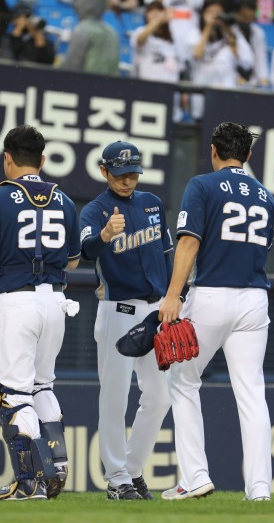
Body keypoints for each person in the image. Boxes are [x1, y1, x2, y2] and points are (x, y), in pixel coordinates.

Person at [0, 125, 81, 501]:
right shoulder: (65, 201)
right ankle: (57, 465)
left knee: (13, 392)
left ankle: (29, 483)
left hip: (15, 299)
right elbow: (74, 262)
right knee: (43, 384)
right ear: (42, 160)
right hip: (55, 302)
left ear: (8, 159)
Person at [158, 122, 274, 501]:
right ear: (249, 155)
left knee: (184, 382)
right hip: (255, 300)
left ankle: (195, 478)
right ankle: (259, 489)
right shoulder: (265, 195)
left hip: (211, 295)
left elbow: (189, 242)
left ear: (213, 150)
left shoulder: (203, 185)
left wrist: (173, 295)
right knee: (252, 392)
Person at [80, 141, 173, 501]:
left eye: (133, 172)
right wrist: (104, 236)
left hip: (154, 311)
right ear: (104, 172)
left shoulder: (151, 203)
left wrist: (172, 298)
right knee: (115, 399)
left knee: (160, 396)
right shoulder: (95, 210)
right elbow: (85, 249)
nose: (128, 179)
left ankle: (132, 470)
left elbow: (167, 253)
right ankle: (117, 479)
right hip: (118, 310)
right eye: (120, 173)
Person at [189, 0, 254, 119]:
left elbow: (248, 62)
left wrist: (232, 41)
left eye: (218, 12)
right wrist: (208, 27)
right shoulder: (195, 32)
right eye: (211, 12)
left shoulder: (232, 34)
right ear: (203, 13)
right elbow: (196, 54)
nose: (215, 16)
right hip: (201, 96)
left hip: (226, 98)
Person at [62, 0, 120, 75]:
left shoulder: (82, 29)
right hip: (108, 86)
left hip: (85, 84)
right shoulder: (113, 33)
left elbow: (71, 67)